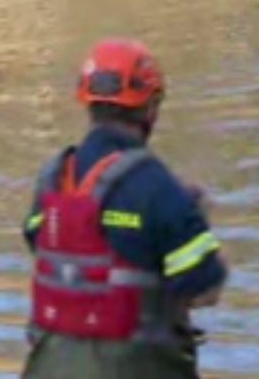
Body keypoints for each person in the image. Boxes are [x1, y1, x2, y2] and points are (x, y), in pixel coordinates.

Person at [19, 39, 228, 379]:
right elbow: (205, 287)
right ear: (151, 108)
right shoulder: (159, 187)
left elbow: (41, 240)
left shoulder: (52, 178)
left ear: (88, 103)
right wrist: (194, 218)